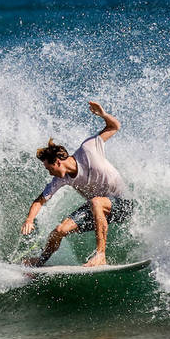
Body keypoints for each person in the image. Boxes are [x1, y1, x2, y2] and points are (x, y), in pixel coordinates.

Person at [21, 101, 134, 267]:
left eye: (49, 168)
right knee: (58, 231)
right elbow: (40, 200)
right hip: (99, 210)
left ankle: (100, 255)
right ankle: (40, 262)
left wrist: (103, 115)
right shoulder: (61, 179)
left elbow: (114, 127)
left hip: (123, 204)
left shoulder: (88, 149)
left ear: (58, 162)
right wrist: (29, 219)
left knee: (96, 201)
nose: (49, 172)